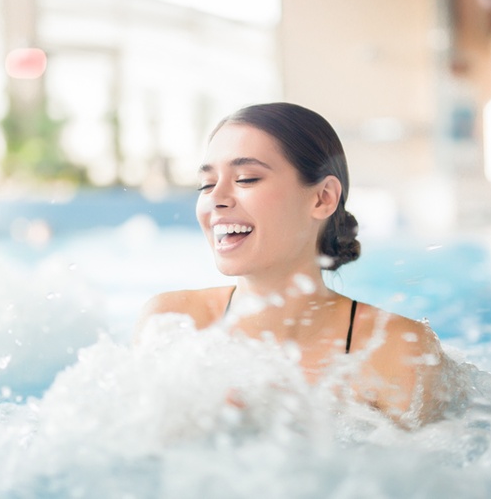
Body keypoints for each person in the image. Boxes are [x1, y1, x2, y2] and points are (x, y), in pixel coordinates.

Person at [135, 102, 447, 426]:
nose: (216, 197)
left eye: (246, 178)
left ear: (322, 198)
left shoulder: (396, 350)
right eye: (206, 184)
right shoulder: (175, 324)